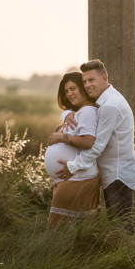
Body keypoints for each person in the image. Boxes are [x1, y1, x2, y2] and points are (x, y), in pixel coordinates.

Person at [56, 58, 135, 233]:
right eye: (85, 81)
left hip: (118, 176)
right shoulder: (103, 101)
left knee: (122, 228)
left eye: (91, 80)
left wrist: (73, 166)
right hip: (113, 174)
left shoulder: (110, 106)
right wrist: (67, 114)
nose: (87, 85)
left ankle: (132, 258)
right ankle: (126, 257)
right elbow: (80, 108)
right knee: (118, 225)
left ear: (104, 78)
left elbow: (96, 146)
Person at [44, 71, 101, 228]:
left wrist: (62, 138)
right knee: (74, 229)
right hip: (72, 177)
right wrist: (67, 114)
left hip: (77, 178)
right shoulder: (80, 112)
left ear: (83, 88)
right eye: (66, 91)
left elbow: (88, 141)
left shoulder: (88, 111)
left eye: (73, 88)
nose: (69, 94)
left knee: (58, 231)